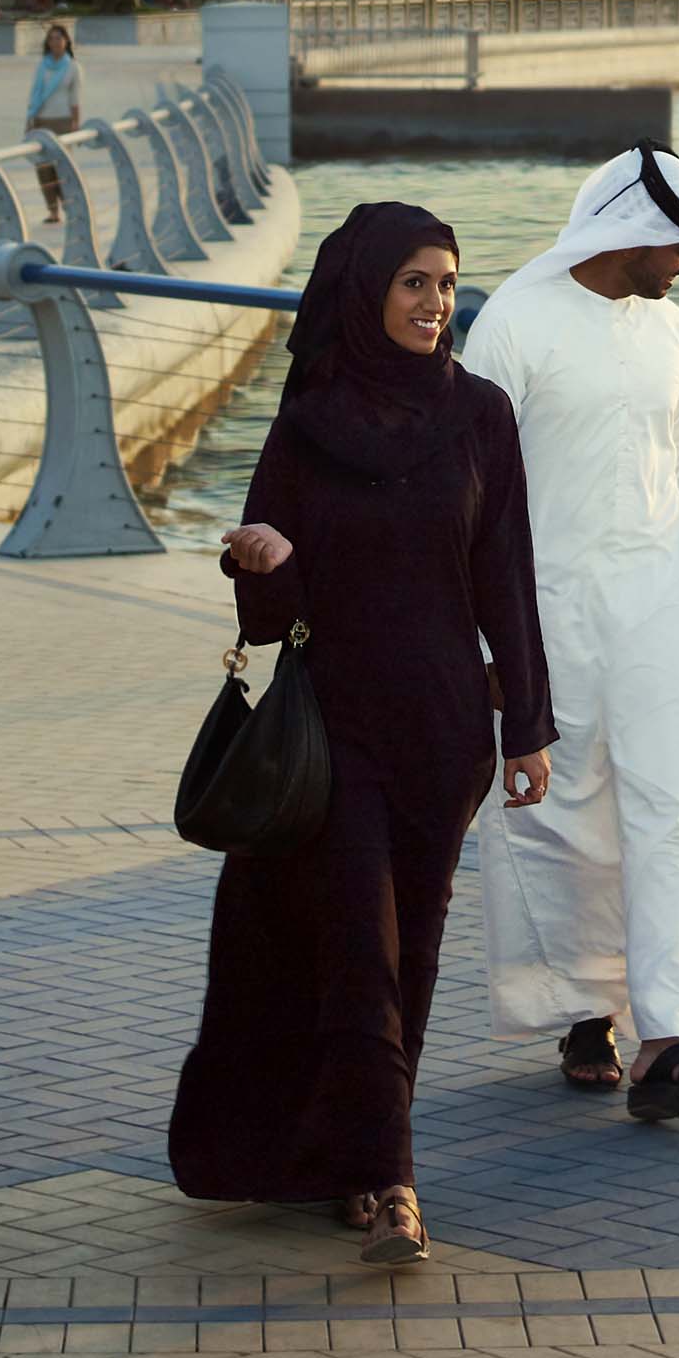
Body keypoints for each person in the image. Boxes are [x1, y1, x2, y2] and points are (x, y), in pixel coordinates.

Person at [174, 202, 553, 1264]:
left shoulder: (481, 417)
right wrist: (262, 560)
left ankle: (352, 1153)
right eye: (413, 284)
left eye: (445, 284)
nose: (436, 304)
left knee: (413, 951)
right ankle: (392, 1184)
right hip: (333, 730)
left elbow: (504, 578)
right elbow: (268, 611)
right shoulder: (307, 423)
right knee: (358, 951)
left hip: (441, 734)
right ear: (366, 292)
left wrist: (526, 723)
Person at [458, 148, 679, 1123]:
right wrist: (481, 641)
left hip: (651, 611)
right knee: (558, 821)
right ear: (626, 230)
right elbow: (465, 501)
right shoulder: (512, 326)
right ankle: (582, 1012)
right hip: (542, 612)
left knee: (664, 814)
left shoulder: (671, 333)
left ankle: (664, 1039)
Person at [22, 17, 83, 214]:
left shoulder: (73, 67)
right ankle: (52, 210)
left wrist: (76, 123)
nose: (55, 42)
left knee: (62, 167)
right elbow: (35, 94)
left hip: (63, 122)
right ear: (47, 43)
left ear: (66, 41)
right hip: (42, 121)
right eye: (52, 39)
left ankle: (68, 206)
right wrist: (30, 121)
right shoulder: (42, 66)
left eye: (59, 38)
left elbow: (75, 98)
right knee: (43, 168)